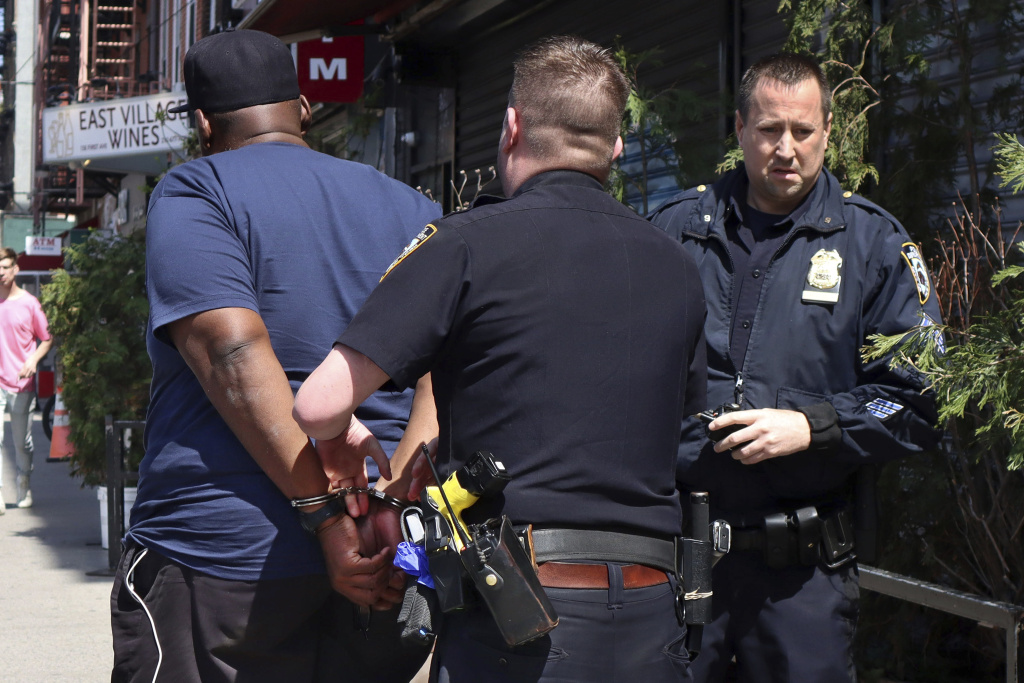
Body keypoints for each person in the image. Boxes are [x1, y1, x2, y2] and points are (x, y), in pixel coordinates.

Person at [293, 35, 708, 683]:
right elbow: (687, 437)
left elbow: (317, 403)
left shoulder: (464, 244)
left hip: (521, 621)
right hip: (655, 612)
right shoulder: (679, 268)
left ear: (512, 126)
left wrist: (342, 438)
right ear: (616, 147)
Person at [109, 29, 440, 682]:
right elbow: (443, 373)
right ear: (306, 108)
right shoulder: (412, 206)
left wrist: (324, 518)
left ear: (203, 123)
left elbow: (231, 351)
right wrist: (389, 515)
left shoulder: (196, 191)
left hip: (223, 559)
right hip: (381, 563)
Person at [649, 52, 944, 683]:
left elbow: (920, 400)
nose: (786, 148)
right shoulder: (673, 233)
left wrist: (815, 425)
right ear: (739, 129)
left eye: (803, 131)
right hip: (678, 565)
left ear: (828, 133)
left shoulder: (876, 247)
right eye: (768, 130)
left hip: (803, 581)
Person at [0, 247, 52, 512]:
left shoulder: (29, 303)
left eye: (6, 266)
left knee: (21, 442)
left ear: (15, 269)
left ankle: (23, 482)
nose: (1, 272)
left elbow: (47, 337)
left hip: (21, 383)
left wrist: (32, 361)